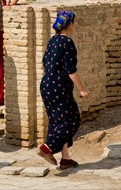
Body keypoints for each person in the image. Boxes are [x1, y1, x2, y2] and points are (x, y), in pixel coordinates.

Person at [37, 10, 90, 170]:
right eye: (74, 22)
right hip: (58, 86)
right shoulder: (67, 42)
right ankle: (48, 148)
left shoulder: (52, 41)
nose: (75, 25)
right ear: (70, 24)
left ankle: (65, 159)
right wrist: (82, 89)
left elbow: (44, 62)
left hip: (46, 84)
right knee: (72, 120)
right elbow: (71, 70)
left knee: (57, 121)